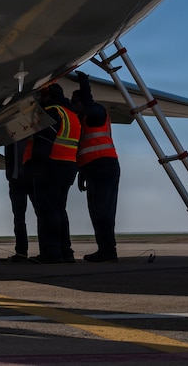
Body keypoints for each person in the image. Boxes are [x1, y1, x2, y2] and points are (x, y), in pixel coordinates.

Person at [26, 82, 81, 263]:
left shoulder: (51, 111)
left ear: (47, 95)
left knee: (47, 212)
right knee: (59, 210)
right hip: (68, 166)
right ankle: (65, 252)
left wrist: (35, 167)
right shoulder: (71, 114)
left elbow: (44, 141)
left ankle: (51, 253)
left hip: (50, 166)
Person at [70, 71, 121, 262]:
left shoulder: (97, 113)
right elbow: (85, 148)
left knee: (103, 210)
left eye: (75, 102)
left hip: (104, 166)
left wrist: (84, 83)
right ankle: (104, 249)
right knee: (96, 211)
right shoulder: (84, 120)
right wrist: (81, 174)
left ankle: (108, 250)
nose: (74, 107)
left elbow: (89, 105)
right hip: (93, 169)